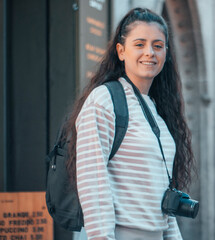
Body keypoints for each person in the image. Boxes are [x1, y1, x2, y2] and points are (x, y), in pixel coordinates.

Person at [63, 8, 195, 240]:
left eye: (157, 45)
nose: (149, 53)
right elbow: (92, 181)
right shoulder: (104, 100)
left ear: (166, 52)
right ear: (121, 51)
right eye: (140, 44)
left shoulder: (155, 108)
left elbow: (162, 192)